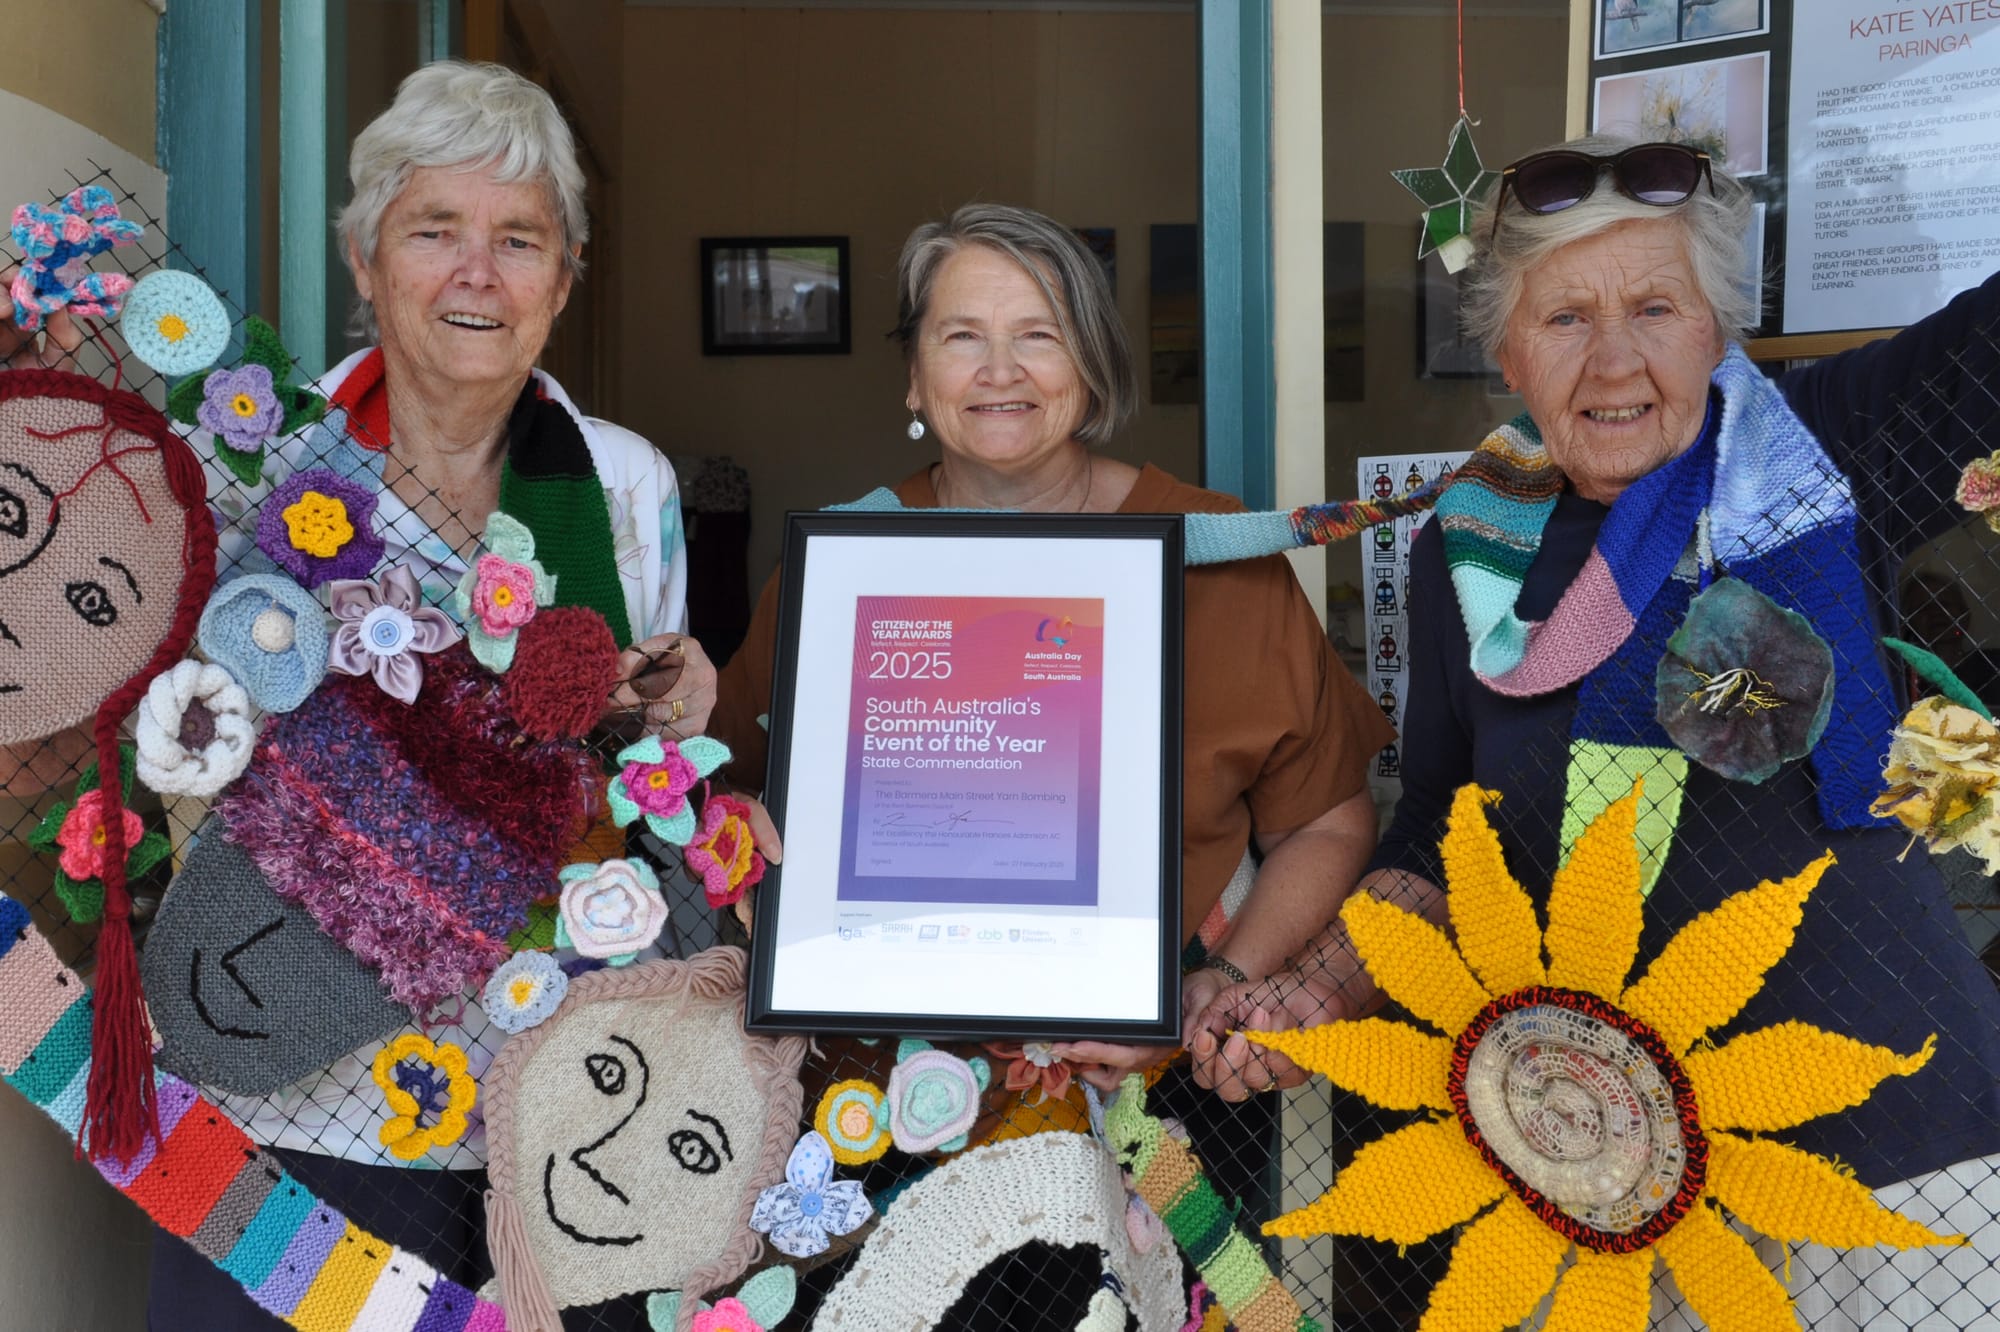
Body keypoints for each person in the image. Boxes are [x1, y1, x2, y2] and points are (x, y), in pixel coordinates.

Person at [1192, 135, 2000, 1327]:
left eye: (1654, 308)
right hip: (1615, 1174)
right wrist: (1308, 990)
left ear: (1714, 329)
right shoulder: (1465, 552)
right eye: (1564, 317)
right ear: (1505, 351)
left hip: (1900, 1152)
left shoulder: (1815, 452)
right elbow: (1440, 832)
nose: (1613, 359)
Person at [123, 61, 721, 1329]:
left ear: (565, 278)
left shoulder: (623, 483)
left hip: (528, 1099)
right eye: (434, 230)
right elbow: (160, 729)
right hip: (272, 1070)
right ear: (364, 258)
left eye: (520, 240)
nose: (477, 274)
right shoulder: (260, 457)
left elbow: (641, 779)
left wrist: (668, 707)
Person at [709, 202, 1393, 1230]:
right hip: (882, 1102)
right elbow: (725, 793)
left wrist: (1219, 982)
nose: (1000, 370)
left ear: (1094, 369)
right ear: (914, 377)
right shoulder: (842, 566)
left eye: (1039, 334)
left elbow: (1328, 821)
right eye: (961, 336)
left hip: (1164, 1088)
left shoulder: (1220, 554)